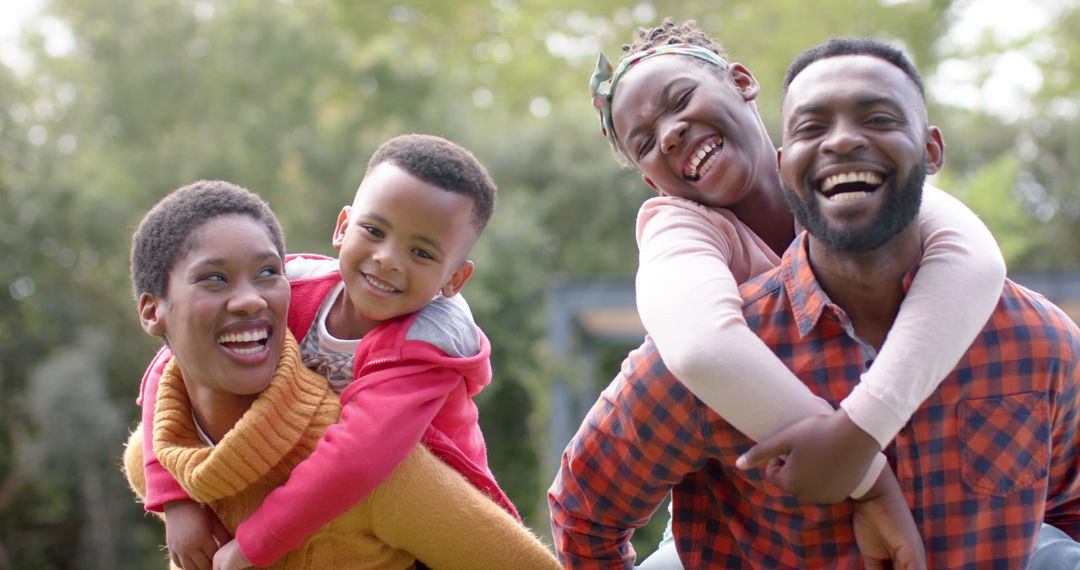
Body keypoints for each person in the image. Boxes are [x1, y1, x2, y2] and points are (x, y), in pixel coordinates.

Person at [549, 37, 1080, 567]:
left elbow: (977, 260)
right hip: (727, 497)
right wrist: (867, 478)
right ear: (652, 183)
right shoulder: (680, 232)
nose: (670, 132)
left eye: (680, 98)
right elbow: (698, 348)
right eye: (643, 141)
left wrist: (856, 436)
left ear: (741, 82)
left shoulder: (1023, 329)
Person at [121, 180, 561, 569]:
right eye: (215, 278)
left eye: (422, 252)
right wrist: (174, 496)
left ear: (454, 278)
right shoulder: (155, 454)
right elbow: (171, 361)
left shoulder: (421, 352)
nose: (388, 261)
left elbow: (360, 457)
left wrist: (254, 546)